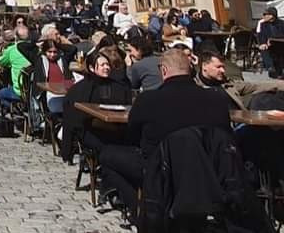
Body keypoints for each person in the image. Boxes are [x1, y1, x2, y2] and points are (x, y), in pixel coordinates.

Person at [96, 47, 229, 218]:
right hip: (207, 168)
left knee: (107, 155)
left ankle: (138, 209)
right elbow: (225, 136)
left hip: (160, 169)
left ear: (164, 70)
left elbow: (132, 137)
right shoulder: (216, 99)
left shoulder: (148, 100)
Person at [256, 7, 284, 77]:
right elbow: (261, 35)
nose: (264, 16)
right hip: (269, 46)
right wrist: (263, 43)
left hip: (280, 44)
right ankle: (270, 67)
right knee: (264, 49)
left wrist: (272, 40)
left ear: (272, 15)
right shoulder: (263, 24)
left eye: (265, 14)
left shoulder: (281, 24)